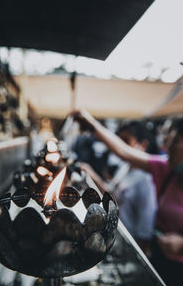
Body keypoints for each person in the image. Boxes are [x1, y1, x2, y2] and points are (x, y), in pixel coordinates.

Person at [73, 110, 183, 286]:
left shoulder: (148, 179)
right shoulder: (166, 169)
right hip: (160, 259)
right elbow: (123, 151)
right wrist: (92, 124)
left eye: (175, 141)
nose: (167, 146)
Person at [80, 121, 157, 256]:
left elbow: (145, 229)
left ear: (143, 145)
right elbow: (112, 195)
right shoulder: (126, 167)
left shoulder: (145, 180)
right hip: (116, 238)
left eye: (126, 140)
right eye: (120, 140)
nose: (120, 146)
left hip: (130, 246)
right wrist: (91, 174)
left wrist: (139, 257)